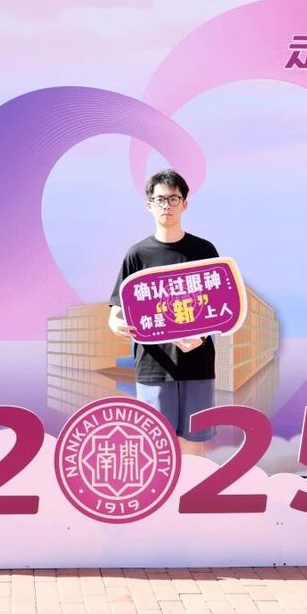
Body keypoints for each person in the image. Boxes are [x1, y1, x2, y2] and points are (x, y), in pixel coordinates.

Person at [108, 169, 219, 454]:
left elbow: (218, 307)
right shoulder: (137, 255)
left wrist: (201, 337)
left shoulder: (204, 251)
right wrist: (115, 323)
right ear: (149, 205)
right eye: (160, 200)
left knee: (195, 444)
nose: (166, 206)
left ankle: (194, 486)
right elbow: (117, 310)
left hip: (197, 363)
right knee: (157, 447)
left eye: (173, 199)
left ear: (185, 204)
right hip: (153, 365)